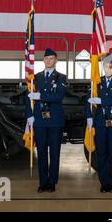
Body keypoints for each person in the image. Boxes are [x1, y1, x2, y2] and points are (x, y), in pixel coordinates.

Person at [26, 48, 67, 193]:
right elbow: (28, 97)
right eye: (46, 58)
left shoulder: (61, 78)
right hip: (40, 121)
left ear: (56, 60)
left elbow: (59, 97)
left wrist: (40, 96)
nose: (49, 61)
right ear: (43, 60)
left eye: (52, 58)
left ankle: (52, 182)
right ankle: (43, 182)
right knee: (41, 152)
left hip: (55, 120)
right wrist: (29, 115)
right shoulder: (35, 78)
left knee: (54, 152)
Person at [86, 56, 112, 193]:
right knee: (101, 153)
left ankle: (111, 182)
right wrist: (88, 117)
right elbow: (89, 100)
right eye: (105, 66)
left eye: (111, 66)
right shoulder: (96, 82)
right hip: (100, 122)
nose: (108, 69)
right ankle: (104, 183)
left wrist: (101, 100)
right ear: (102, 67)